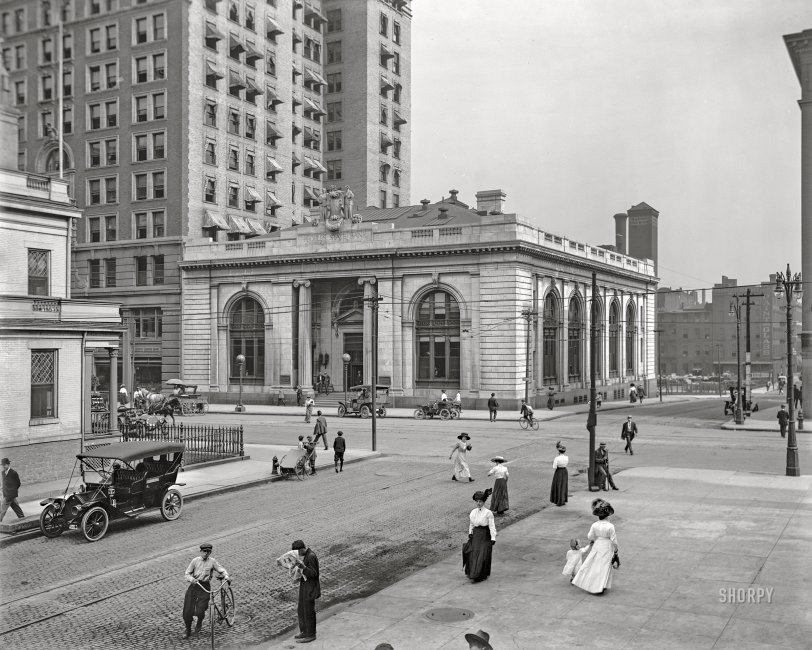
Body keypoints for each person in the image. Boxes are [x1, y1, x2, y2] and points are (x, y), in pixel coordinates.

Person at [183, 542, 230, 639]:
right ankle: (188, 629)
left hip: (204, 586)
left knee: (201, 609)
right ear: (200, 551)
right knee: (187, 610)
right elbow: (187, 574)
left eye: (208, 552)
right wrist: (192, 579)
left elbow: (221, 569)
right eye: (204, 551)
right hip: (194, 586)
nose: (206, 553)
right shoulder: (195, 561)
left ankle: (199, 621)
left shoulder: (212, 562)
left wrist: (226, 576)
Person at [572, 499, 619, 595]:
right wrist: (616, 551)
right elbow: (614, 540)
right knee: (604, 566)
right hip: (607, 546)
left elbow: (590, 536)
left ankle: (591, 584)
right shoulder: (610, 526)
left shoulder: (594, 525)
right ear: (608, 515)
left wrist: (593, 540)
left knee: (594, 564)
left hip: (598, 545)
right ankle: (600, 585)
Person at [291, 539, 321, 643]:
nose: (298, 555)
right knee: (301, 610)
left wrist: (303, 567)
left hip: (310, 588)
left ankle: (311, 634)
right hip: (305, 586)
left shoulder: (311, 556)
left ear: (302, 549)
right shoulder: (306, 556)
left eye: (298, 552)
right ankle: (304, 631)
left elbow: (313, 573)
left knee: (308, 611)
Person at [465, 490, 496, 582]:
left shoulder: (488, 513)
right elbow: (471, 524)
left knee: (482, 554)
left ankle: (480, 574)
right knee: (474, 553)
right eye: (477, 501)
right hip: (476, 535)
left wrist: (493, 537)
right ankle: (473, 573)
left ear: (483, 502)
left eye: (480, 502)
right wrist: (470, 533)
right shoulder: (473, 512)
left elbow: (492, 526)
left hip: (485, 535)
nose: (478, 503)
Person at [0, 458, 24, 522]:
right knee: (17, 509)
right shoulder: (2, 473)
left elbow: (18, 483)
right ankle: (23, 519)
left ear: (8, 464)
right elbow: (4, 483)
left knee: (2, 511)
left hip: (9, 495)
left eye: (4, 465)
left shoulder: (13, 473)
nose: (3, 466)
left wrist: (12, 491)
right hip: (7, 494)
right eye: (2, 465)